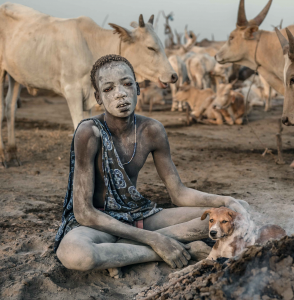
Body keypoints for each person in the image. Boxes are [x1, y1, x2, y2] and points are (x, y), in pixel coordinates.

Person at [54, 54, 249, 277]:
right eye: (108, 89)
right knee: (77, 255)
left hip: (138, 216)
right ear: (98, 97)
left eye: (127, 84)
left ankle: (120, 252)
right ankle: (164, 250)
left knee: (217, 220)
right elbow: (83, 212)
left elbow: (179, 194)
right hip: (97, 224)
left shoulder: (152, 130)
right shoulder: (89, 132)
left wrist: (225, 200)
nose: (120, 93)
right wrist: (156, 241)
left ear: (137, 88)